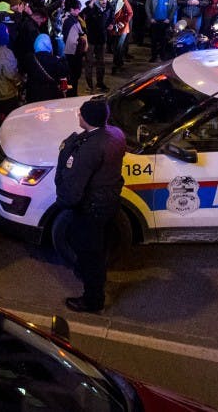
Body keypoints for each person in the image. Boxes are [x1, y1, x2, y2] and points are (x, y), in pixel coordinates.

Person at [54, 99, 126, 313]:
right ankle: (94, 276)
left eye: (81, 114)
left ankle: (93, 300)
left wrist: (63, 202)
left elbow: (74, 187)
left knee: (89, 252)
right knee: (98, 246)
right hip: (109, 200)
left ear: (87, 119)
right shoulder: (116, 134)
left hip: (91, 207)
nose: (78, 116)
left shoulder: (89, 149)